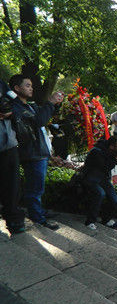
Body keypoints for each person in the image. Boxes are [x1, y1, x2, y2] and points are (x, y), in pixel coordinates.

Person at [10, 74, 62, 230]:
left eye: (31, 85)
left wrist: (55, 104)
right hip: (31, 154)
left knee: (38, 187)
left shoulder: (30, 106)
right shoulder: (15, 108)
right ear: (17, 88)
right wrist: (50, 102)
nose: (31, 88)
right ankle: (38, 218)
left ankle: (39, 211)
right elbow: (39, 121)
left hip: (40, 151)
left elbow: (43, 118)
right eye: (27, 85)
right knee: (34, 189)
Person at [81, 135, 117, 229]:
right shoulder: (97, 151)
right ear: (112, 146)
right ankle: (90, 221)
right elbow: (105, 167)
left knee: (115, 200)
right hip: (90, 178)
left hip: (103, 179)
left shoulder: (113, 152)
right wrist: (115, 158)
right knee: (100, 194)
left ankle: (107, 219)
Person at [0, 80, 26, 235]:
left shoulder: (3, 85)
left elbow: (18, 104)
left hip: (8, 146)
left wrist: (10, 112)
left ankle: (14, 222)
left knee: (12, 186)